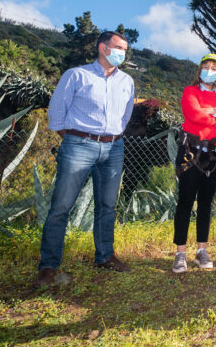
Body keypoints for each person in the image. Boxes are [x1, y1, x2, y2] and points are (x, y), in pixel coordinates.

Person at [35, 31, 134, 288]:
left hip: (113, 148)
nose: (122, 53)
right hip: (79, 144)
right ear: (103, 48)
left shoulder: (127, 81)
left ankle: (105, 256)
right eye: (118, 47)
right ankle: (48, 266)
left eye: (125, 49)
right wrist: (75, 137)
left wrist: (113, 136)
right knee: (61, 206)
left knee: (107, 206)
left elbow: (125, 116)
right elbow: (57, 112)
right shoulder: (76, 75)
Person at [172, 53, 216, 273]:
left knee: (205, 204)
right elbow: (194, 115)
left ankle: (202, 250)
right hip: (191, 154)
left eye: (214, 68)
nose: (209, 70)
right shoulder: (190, 92)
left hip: (214, 156)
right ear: (199, 70)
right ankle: (180, 253)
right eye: (206, 66)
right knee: (185, 202)